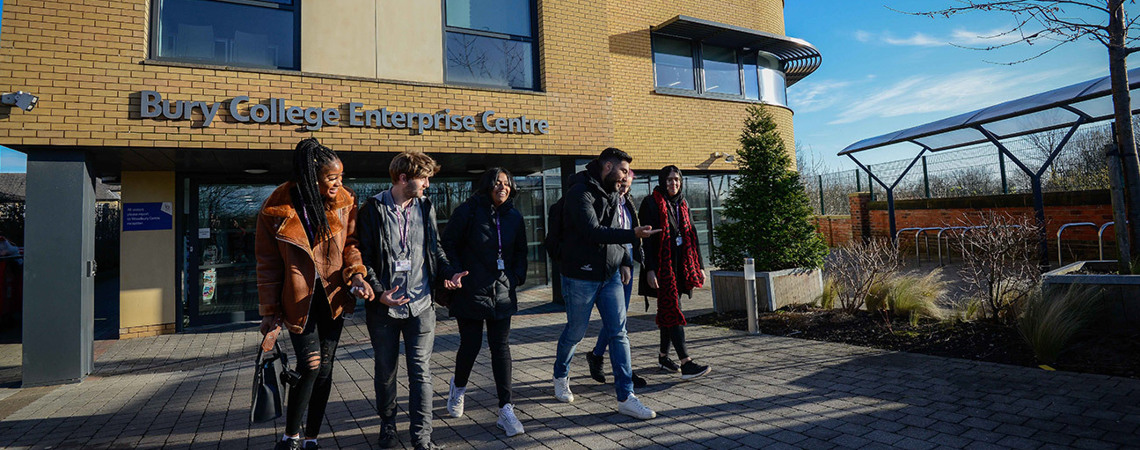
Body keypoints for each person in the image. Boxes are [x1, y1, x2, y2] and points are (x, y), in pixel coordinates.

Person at [256, 138, 373, 450]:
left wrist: (357, 274)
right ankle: (290, 436)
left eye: (341, 177)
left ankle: (312, 438)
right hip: (298, 299)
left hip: (334, 298)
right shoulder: (276, 206)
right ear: (311, 175)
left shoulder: (346, 202)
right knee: (310, 365)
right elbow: (267, 263)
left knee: (325, 371)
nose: (339, 183)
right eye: (332, 178)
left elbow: (351, 245)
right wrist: (269, 310)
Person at [357, 151, 468, 450]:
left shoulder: (425, 207)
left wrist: (448, 273)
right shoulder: (372, 209)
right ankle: (388, 426)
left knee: (421, 371)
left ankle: (422, 439)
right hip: (384, 309)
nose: (428, 185)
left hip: (421, 304)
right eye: (424, 178)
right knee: (385, 370)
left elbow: (436, 250)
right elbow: (363, 258)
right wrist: (379, 292)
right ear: (404, 178)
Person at [552, 147, 660, 420]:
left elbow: (614, 228)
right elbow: (592, 231)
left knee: (619, 333)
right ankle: (560, 374)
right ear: (607, 166)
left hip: (610, 274)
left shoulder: (613, 193)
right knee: (576, 332)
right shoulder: (580, 192)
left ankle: (626, 396)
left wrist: (625, 258)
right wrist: (633, 234)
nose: (625, 177)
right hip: (580, 276)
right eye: (623, 170)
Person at [440, 168, 527, 436]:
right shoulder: (468, 211)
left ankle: (505, 409)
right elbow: (447, 244)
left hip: (502, 291)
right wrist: (454, 272)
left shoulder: (514, 216)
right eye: (498, 183)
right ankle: (459, 388)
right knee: (471, 345)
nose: (503, 187)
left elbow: (522, 251)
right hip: (471, 290)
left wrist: (516, 278)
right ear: (487, 185)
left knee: (501, 348)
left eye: (507, 184)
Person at [638, 165, 710, 380]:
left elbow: (693, 235)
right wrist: (650, 269)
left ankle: (663, 356)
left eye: (677, 179)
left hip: (680, 265)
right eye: (669, 179)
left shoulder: (683, 204)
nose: (673, 183)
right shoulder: (650, 203)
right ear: (662, 181)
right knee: (672, 309)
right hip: (661, 266)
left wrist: (700, 266)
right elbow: (646, 243)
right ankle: (686, 362)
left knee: (668, 309)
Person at [584, 173, 647, 389]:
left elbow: (631, 233)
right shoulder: (607, 204)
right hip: (613, 265)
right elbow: (612, 235)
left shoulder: (627, 203)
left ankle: (597, 355)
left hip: (627, 264)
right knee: (618, 323)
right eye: (621, 185)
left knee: (619, 321)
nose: (624, 190)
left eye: (627, 186)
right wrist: (624, 262)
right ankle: (623, 372)